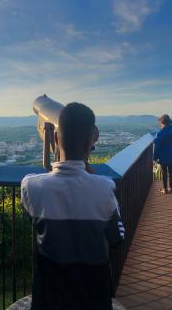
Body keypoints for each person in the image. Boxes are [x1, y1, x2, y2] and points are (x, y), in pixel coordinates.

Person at [21, 102, 124, 310]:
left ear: (57, 139)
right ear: (92, 140)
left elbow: (33, 219)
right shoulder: (105, 189)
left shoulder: (30, 186)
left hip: (48, 302)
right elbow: (117, 238)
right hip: (94, 300)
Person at [154, 114, 172, 194]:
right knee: (171, 172)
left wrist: (154, 158)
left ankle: (165, 189)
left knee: (164, 173)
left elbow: (157, 147)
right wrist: (169, 119)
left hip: (163, 156)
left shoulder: (160, 133)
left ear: (161, 122)